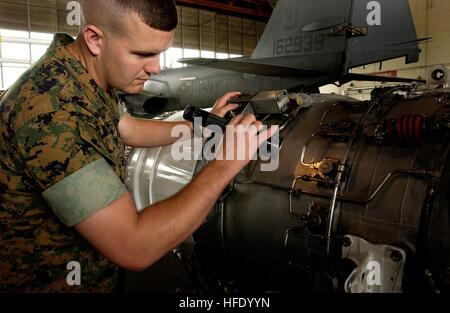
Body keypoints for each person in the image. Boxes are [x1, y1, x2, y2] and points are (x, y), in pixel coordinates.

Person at [0, 0, 274, 293]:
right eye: (143, 54)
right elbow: (134, 246)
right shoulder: (51, 112)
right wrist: (225, 164)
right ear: (94, 39)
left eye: (159, 53)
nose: (155, 68)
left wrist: (202, 125)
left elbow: (129, 128)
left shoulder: (83, 76)